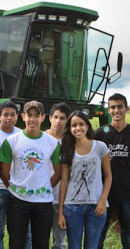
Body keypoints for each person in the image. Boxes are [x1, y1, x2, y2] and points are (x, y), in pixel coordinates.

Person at [0, 100, 61, 249]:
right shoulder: (11, 141)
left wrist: (43, 187)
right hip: (18, 201)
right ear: (23, 116)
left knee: (41, 243)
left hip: (43, 202)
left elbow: (58, 173)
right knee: (16, 243)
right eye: (29, 115)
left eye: (36, 115)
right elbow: (3, 172)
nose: (33, 119)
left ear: (43, 117)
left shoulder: (52, 143)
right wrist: (15, 188)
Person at [95, 93, 130, 249]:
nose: (116, 110)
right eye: (112, 107)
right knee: (98, 234)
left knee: (128, 235)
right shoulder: (99, 134)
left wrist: (128, 179)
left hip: (127, 191)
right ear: (108, 110)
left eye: (119, 107)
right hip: (104, 192)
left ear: (127, 109)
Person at [58, 111, 112, 249]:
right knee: (74, 246)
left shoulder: (100, 147)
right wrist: (60, 212)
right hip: (72, 208)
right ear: (70, 129)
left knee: (92, 246)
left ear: (87, 126)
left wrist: (103, 200)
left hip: (96, 206)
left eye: (81, 124)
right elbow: (64, 181)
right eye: (73, 125)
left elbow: (108, 176)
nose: (78, 128)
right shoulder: (67, 149)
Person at [0, 101, 22, 249]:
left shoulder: (21, 134)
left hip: (18, 189)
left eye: (12, 115)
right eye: (5, 115)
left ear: (17, 117)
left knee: (20, 231)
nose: (9, 118)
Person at [45, 102, 71, 249]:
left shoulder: (70, 142)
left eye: (62, 118)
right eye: (55, 117)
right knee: (38, 237)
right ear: (49, 118)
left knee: (60, 241)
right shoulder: (41, 138)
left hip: (62, 198)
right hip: (41, 197)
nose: (58, 121)